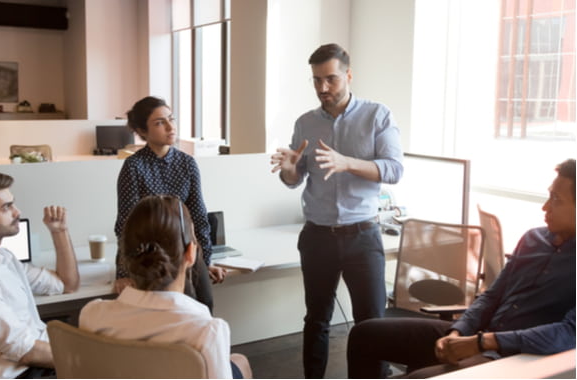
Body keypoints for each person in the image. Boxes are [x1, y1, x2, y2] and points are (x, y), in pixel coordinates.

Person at [347, 158, 576, 378]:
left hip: (513, 355)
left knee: (418, 378)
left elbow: (569, 334)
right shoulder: (532, 239)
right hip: (478, 335)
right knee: (364, 334)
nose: (545, 207)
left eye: (556, 199)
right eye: (548, 196)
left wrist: (483, 342)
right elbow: (492, 296)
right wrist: (458, 331)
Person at [270, 43, 404, 378]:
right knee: (316, 319)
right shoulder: (305, 123)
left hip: (363, 235)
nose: (323, 88)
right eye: (316, 80)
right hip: (318, 236)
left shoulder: (377, 115)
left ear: (348, 75)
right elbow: (294, 179)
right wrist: (289, 169)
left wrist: (347, 163)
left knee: (370, 323)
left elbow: (393, 169)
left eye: (330, 79)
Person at [80, 195, 252, 379]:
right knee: (239, 361)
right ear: (190, 253)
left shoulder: (92, 315)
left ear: (124, 255)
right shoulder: (206, 331)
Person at [113, 96, 226, 311]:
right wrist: (123, 273)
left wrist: (207, 260)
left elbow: (199, 216)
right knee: (172, 306)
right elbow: (126, 224)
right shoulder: (133, 167)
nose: (170, 127)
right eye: (159, 123)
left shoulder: (187, 163)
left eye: (171, 119)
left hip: (185, 247)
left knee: (204, 303)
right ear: (142, 131)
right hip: (151, 254)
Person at [0, 172, 80, 378]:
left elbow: (66, 284)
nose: (17, 212)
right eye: (6, 207)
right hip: (22, 372)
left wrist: (59, 231)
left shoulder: (4, 257)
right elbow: (24, 350)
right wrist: (84, 359)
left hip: (41, 361)